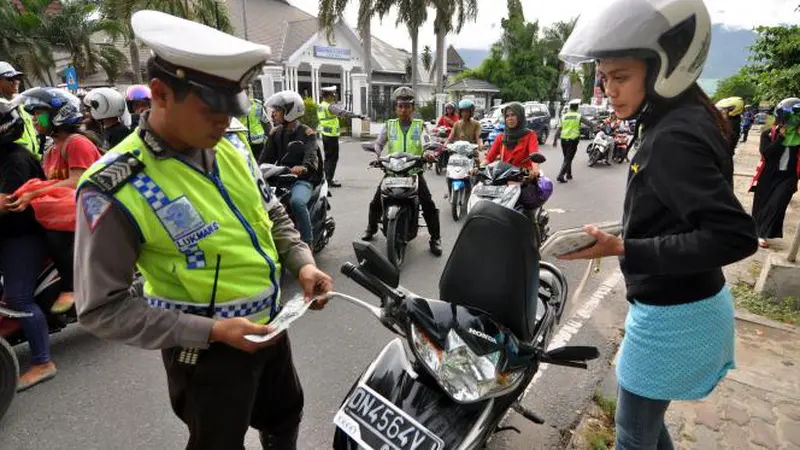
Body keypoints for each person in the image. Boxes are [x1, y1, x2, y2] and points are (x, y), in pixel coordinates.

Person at [73, 11, 333, 450]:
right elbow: (102, 310)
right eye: (211, 108)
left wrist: (303, 263)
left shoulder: (230, 146)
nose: (223, 122)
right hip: (207, 354)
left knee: (285, 415)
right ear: (160, 94)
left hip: (271, 327)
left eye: (231, 109)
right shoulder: (113, 187)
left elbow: (271, 214)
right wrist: (212, 331)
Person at [558, 0, 759, 448]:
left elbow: (734, 236)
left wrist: (625, 248)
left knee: (632, 435)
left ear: (666, 68)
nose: (608, 89)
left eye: (621, 76)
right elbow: (674, 208)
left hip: (677, 316)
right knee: (647, 429)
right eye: (604, 78)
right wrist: (625, 236)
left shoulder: (674, 136)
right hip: (677, 304)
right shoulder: (677, 117)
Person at [11, 87, 102, 315]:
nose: (34, 119)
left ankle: (74, 287)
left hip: (91, 207)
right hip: (69, 211)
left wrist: (35, 194)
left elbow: (78, 180)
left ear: (58, 115)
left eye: (39, 113)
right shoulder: (51, 150)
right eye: (32, 114)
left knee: (55, 236)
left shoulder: (76, 143)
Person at [0, 98, 57, 391]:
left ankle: (42, 361)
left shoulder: (16, 160)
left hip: (23, 236)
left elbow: (7, 203)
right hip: (7, 235)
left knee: (19, 300)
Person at [362, 86, 442, 256]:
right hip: (392, 172)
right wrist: (376, 153)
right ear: (396, 108)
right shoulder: (389, 125)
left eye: (407, 106)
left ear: (412, 108)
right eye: (400, 106)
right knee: (376, 201)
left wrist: (428, 153)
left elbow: (427, 143)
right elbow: (379, 144)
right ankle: (371, 228)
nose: (403, 109)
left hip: (414, 172)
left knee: (428, 204)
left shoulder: (420, 125)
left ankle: (435, 238)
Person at [261, 90, 320, 247]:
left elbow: (311, 156)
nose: (273, 114)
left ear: (290, 112)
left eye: (278, 110)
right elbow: (265, 159)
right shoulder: (275, 133)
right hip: (280, 177)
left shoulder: (307, 133)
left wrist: (303, 167)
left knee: (297, 202)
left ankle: (308, 243)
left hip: (302, 179)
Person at [750, 98, 800, 248]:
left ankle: (764, 233)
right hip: (768, 175)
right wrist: (780, 138)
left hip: (788, 176)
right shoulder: (768, 134)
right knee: (762, 203)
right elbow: (766, 153)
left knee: (778, 203)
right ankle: (757, 230)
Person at [317, 85, 363, 188]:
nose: (334, 97)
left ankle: (325, 178)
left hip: (325, 134)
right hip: (331, 135)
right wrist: (357, 116)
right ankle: (329, 180)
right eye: (332, 95)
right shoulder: (329, 106)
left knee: (328, 158)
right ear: (328, 96)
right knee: (333, 158)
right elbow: (342, 113)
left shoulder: (321, 106)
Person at [484, 102, 539, 174]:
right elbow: (489, 158)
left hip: (523, 177)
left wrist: (535, 171)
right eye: (507, 116)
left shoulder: (530, 135)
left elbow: (534, 155)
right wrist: (479, 167)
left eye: (513, 115)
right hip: (503, 177)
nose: (510, 118)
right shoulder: (501, 137)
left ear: (520, 116)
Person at [0, 61, 39, 158]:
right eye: (10, 79)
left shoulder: (22, 103)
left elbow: (38, 126)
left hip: (32, 160)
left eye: (17, 78)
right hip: (11, 161)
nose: (16, 82)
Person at [83, 87, 132, 152]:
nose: (87, 112)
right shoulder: (106, 129)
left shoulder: (119, 132)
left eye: (90, 109)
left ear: (103, 107)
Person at [556, 99, 592, 183]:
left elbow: (559, 128)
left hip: (563, 139)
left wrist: (555, 139)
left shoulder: (564, 116)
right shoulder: (578, 116)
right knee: (568, 158)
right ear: (576, 107)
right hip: (573, 140)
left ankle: (569, 174)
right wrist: (596, 127)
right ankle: (560, 175)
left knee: (567, 158)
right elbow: (589, 123)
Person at [238, 94, 269, 160]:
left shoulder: (258, 105)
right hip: (245, 142)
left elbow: (266, 122)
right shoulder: (235, 106)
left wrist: (269, 139)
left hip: (256, 142)